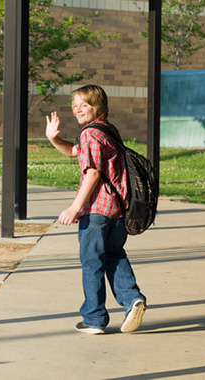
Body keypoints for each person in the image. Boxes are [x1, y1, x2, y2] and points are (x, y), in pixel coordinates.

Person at [45, 84, 146, 335]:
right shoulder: (106, 130)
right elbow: (73, 151)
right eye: (75, 105)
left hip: (97, 211)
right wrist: (53, 137)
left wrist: (74, 208)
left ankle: (94, 319)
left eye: (84, 104)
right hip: (118, 210)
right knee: (114, 254)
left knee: (92, 263)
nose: (78, 109)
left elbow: (92, 172)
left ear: (97, 106)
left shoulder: (91, 134)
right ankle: (132, 298)